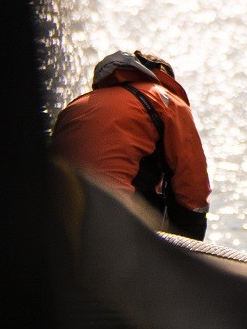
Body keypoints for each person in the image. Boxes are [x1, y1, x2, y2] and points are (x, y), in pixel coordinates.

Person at [51, 51, 211, 239]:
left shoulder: (76, 105)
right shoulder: (166, 100)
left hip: (58, 219)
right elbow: (192, 187)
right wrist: (189, 246)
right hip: (116, 221)